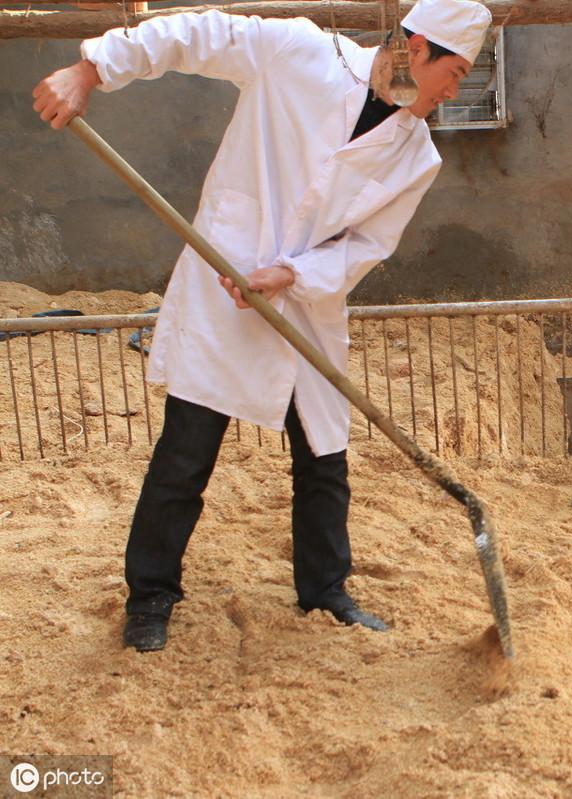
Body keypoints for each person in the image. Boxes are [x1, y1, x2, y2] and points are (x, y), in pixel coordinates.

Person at [31, 0, 492, 652]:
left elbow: (365, 246)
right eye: (457, 71)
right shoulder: (300, 54)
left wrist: (294, 275)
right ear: (416, 47)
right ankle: (151, 597)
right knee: (187, 453)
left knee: (324, 458)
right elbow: (194, 34)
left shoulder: (416, 154)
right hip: (225, 288)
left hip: (306, 304)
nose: (456, 89)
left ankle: (326, 589)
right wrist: (93, 68)